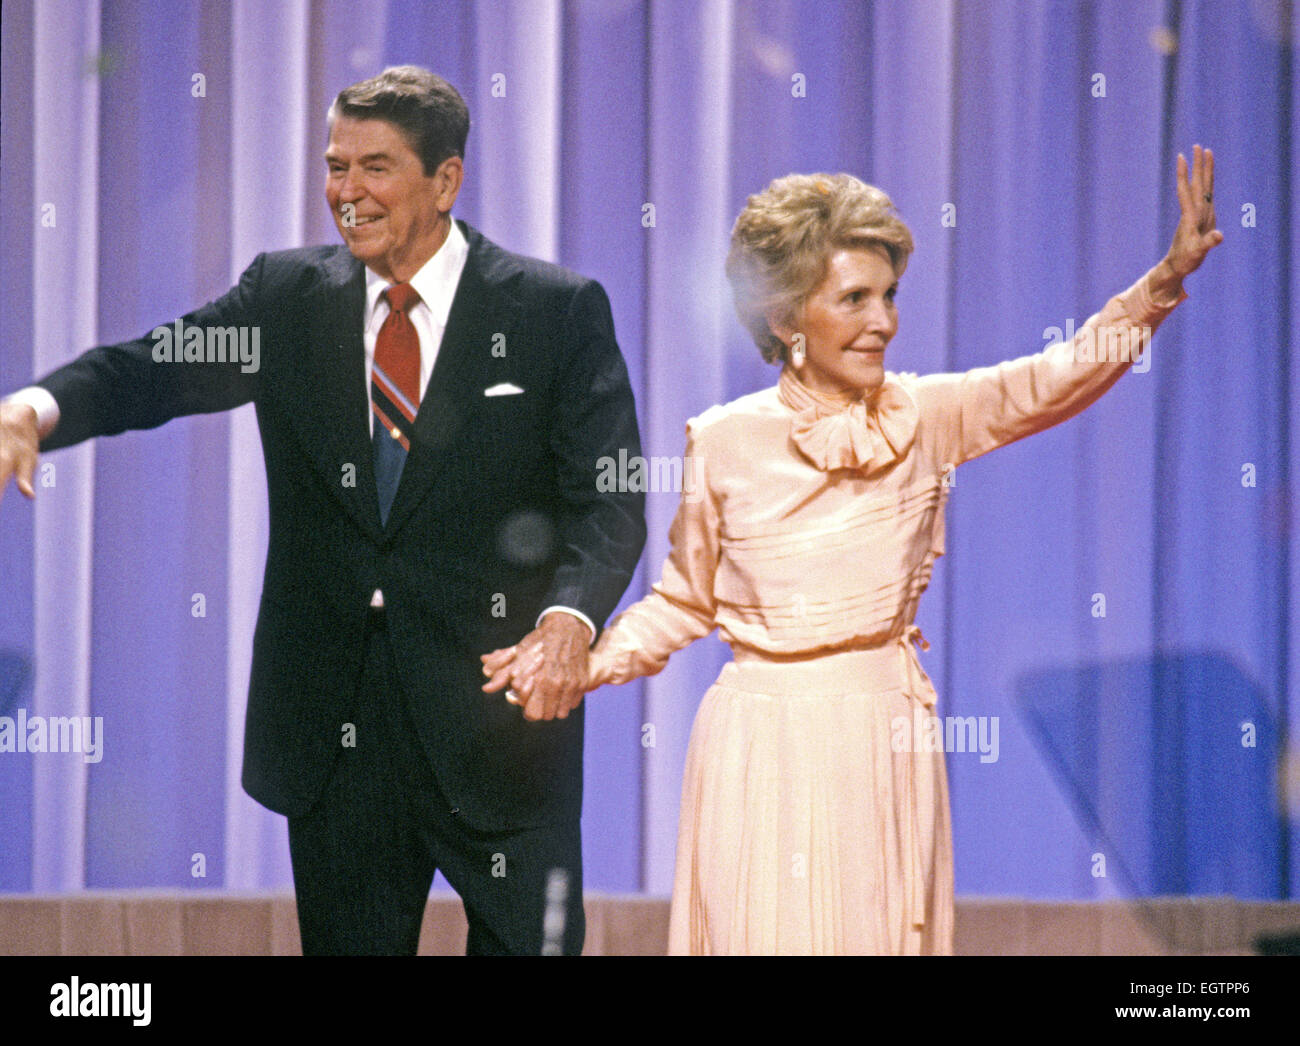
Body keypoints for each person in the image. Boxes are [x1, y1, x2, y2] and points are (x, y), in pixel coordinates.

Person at [484, 146, 1222, 954]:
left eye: (890, 295)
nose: (884, 321)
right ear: (785, 316)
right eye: (856, 298)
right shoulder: (723, 440)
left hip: (881, 735)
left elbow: (1058, 377)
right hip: (760, 745)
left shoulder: (929, 415)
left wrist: (1163, 284)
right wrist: (580, 660)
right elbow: (685, 602)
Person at [0, 66, 646, 955]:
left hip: (500, 720)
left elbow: (608, 497)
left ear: (445, 179)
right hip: (336, 735)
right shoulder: (286, 299)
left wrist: (570, 619)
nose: (347, 193)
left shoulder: (551, 310)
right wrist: (33, 408)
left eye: (375, 168)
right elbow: (151, 369)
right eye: (335, 166)